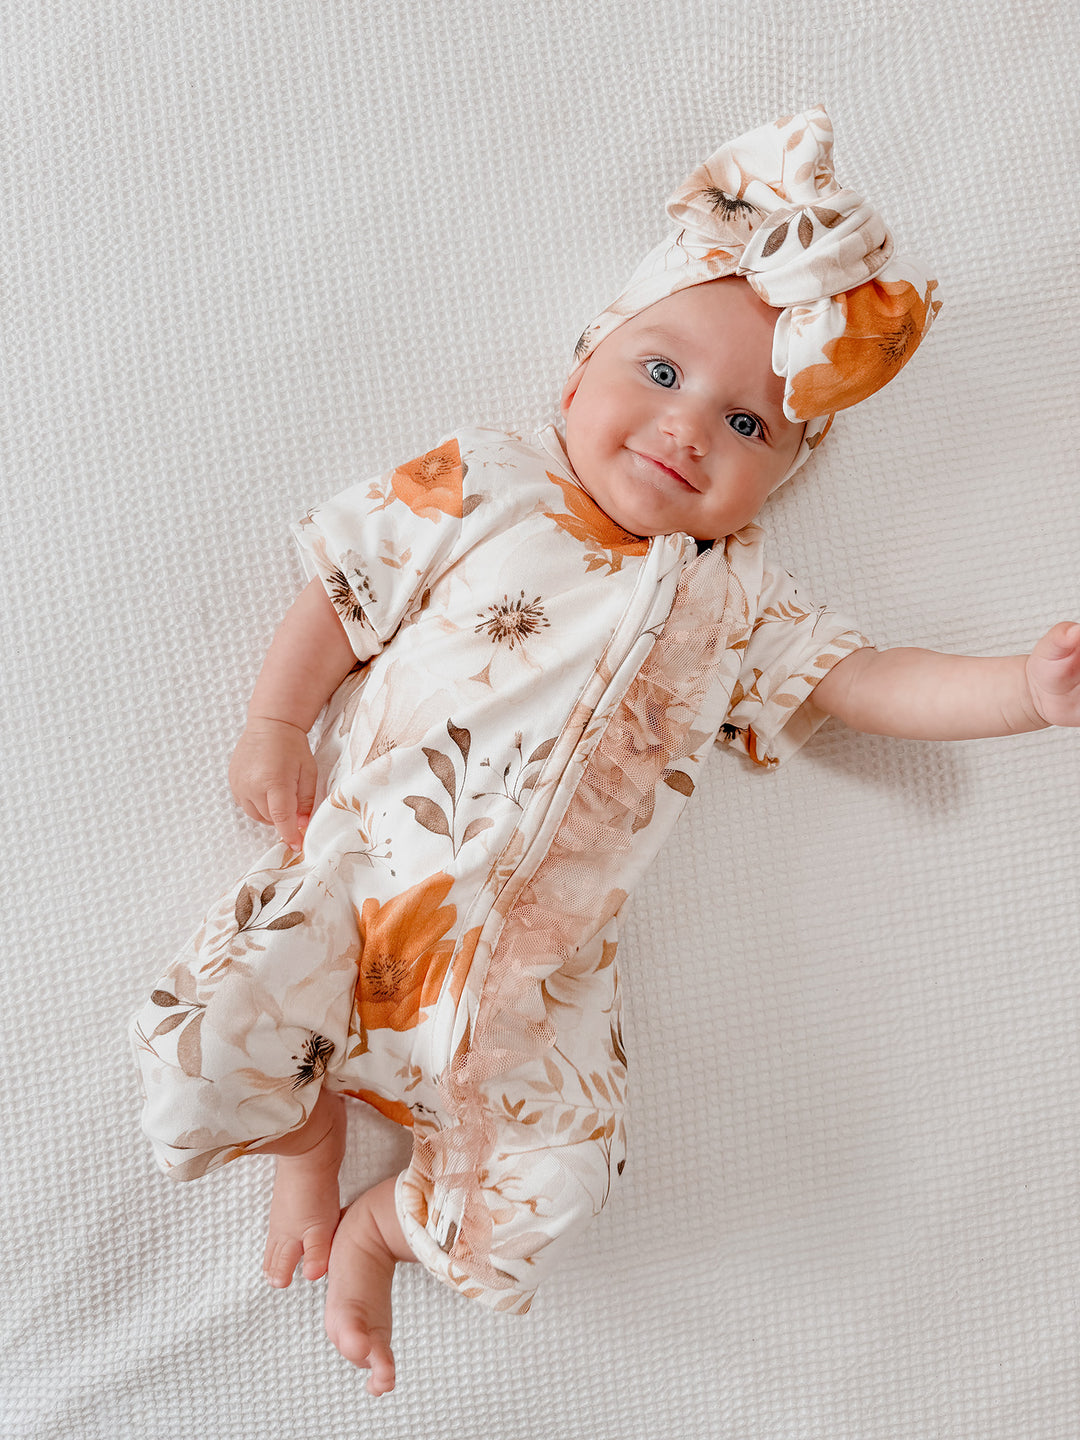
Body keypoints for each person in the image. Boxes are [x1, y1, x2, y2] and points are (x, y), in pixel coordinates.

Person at [130, 106, 1080, 1397]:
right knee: (207, 1043)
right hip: (362, 887)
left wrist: (1023, 689)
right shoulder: (492, 483)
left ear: (786, 478)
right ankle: (308, 1138)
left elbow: (867, 683)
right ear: (581, 372)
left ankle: (387, 1224)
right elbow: (343, 589)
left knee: (564, 1172)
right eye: (665, 374)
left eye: (753, 428)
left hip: (537, 978)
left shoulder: (742, 602)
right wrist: (276, 722)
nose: (692, 430)